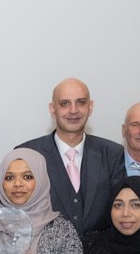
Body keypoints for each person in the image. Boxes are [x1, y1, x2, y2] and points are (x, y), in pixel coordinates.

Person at [16, 78, 127, 234]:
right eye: (64, 104)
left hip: (101, 253)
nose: (73, 110)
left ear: (91, 107)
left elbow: (121, 210)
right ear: (52, 109)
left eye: (81, 102)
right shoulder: (28, 153)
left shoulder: (112, 154)